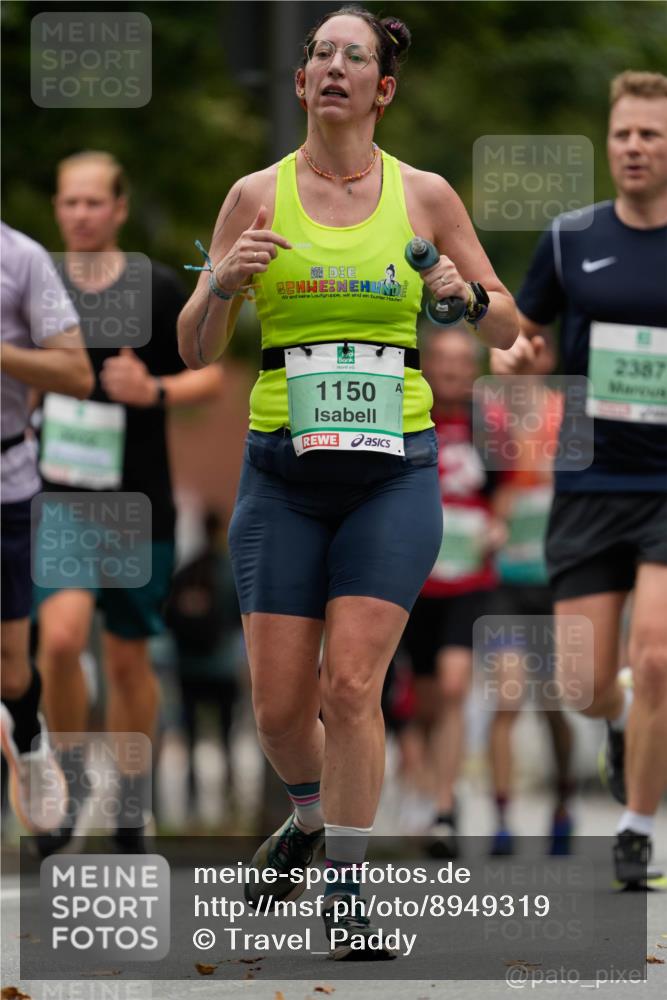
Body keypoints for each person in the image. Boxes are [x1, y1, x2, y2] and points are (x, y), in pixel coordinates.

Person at [178, 5, 518, 958]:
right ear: (300, 84)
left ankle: (348, 889)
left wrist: (464, 294)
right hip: (281, 473)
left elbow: (508, 327)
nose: (333, 66)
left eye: (353, 56)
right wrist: (218, 285)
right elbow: (192, 346)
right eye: (319, 54)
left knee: (351, 685)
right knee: (281, 709)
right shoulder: (253, 195)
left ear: (383, 89)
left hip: (392, 473)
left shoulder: (427, 196)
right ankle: (308, 817)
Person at [492, 70, 667, 886]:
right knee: (581, 684)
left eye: (651, 134)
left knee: (658, 655)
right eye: (624, 134)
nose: (634, 147)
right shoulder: (568, 238)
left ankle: (634, 829)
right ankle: (624, 720)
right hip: (590, 482)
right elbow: (522, 336)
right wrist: (518, 355)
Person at [32, 151, 224, 856]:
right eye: (69, 202)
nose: (80, 214)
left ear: (117, 208)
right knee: (57, 640)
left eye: (93, 203)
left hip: (138, 505)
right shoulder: (37, 285)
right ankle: (73, 777)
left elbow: (210, 377)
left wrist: (157, 391)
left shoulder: (154, 286)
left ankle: (129, 805)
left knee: (125, 660)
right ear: (57, 209)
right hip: (59, 500)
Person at [400, 326, 509, 858]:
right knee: (422, 699)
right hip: (414, 578)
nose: (453, 370)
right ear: (426, 364)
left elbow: (507, 487)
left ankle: (444, 806)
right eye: (443, 360)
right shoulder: (405, 414)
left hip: (469, 577)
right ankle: (424, 789)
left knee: (453, 684)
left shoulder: (489, 426)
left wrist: (498, 526)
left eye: (463, 362)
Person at [1, 221, 94, 833]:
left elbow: (77, 374)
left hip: (9, 479)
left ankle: (30, 739)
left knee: (11, 662)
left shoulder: (21, 259)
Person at [487, 339, 575, 856]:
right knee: (507, 697)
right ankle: (500, 819)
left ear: (548, 357)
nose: (526, 352)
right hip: (504, 583)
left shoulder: (569, 414)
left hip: (558, 581)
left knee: (554, 704)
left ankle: (563, 804)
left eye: (537, 343)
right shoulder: (491, 417)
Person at [164, 510, 242, 820]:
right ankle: (229, 799)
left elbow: (168, 616)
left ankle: (191, 801)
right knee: (226, 736)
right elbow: (241, 618)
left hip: (188, 667)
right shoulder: (229, 571)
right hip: (222, 667)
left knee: (191, 735)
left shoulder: (187, 570)